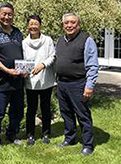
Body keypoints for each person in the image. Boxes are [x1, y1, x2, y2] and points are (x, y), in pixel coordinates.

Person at [56, 12, 98, 156]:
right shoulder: (60, 40)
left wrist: (89, 86)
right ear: (63, 26)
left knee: (83, 115)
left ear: (79, 24)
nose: (69, 25)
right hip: (62, 83)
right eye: (66, 23)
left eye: (73, 22)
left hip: (78, 84)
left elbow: (92, 66)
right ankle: (70, 138)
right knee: (66, 113)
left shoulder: (87, 40)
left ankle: (88, 144)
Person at [0, 2, 24, 150]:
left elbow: (22, 54)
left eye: (10, 14)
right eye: (4, 14)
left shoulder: (17, 32)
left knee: (17, 111)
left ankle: (11, 134)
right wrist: (7, 70)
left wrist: (25, 69)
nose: (7, 17)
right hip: (2, 81)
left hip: (18, 80)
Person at [22, 15, 56, 145]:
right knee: (31, 109)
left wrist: (43, 65)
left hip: (46, 80)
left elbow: (52, 56)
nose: (33, 26)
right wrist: (23, 71)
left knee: (45, 107)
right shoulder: (24, 43)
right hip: (31, 82)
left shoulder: (47, 40)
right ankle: (30, 134)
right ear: (27, 26)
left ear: (40, 25)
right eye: (31, 24)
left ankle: (46, 133)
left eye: (36, 24)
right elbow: (23, 60)